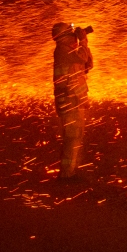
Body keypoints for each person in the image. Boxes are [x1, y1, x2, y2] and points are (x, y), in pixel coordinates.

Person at [51, 21, 93, 180]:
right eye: (71, 34)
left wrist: (84, 45)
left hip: (76, 101)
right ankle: (66, 174)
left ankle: (71, 170)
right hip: (69, 102)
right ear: (64, 36)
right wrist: (83, 41)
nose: (74, 36)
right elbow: (81, 57)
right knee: (71, 138)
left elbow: (87, 64)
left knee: (76, 137)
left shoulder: (70, 51)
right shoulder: (62, 51)